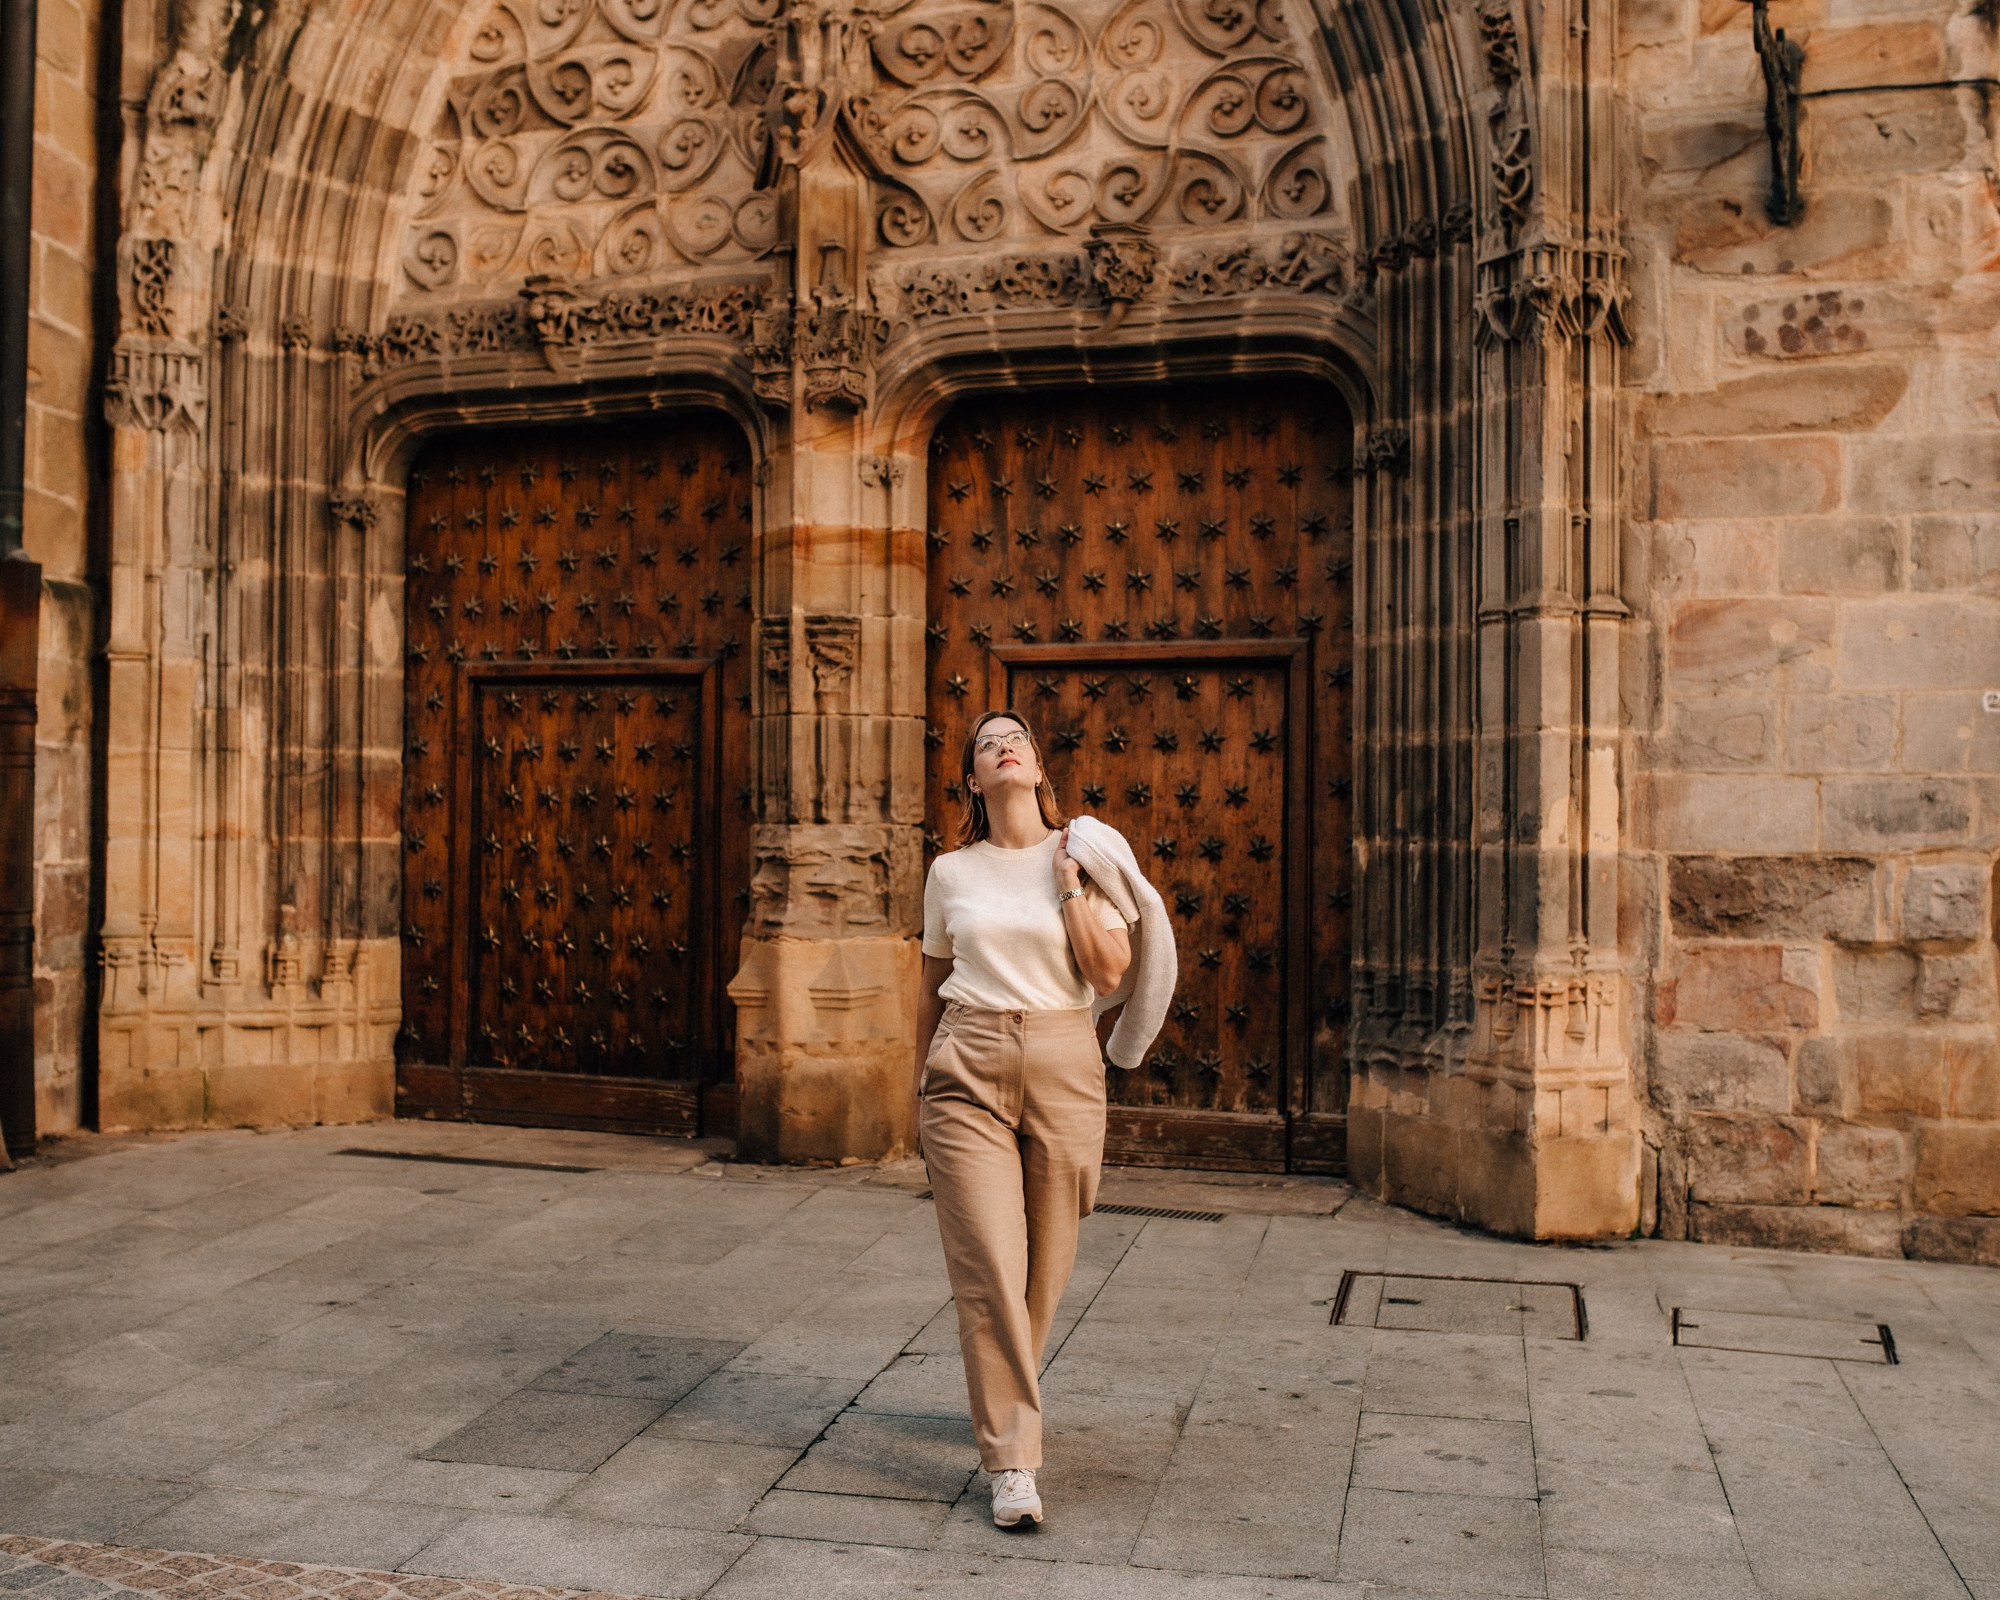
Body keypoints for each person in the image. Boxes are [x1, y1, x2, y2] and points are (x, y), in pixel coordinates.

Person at [914, 708, 1134, 1529]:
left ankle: (1007, 1387)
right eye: (986, 744)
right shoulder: (950, 872)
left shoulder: (1085, 851)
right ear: (974, 778)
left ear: (1038, 768)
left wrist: (1070, 884)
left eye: (1019, 740)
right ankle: (1013, 1460)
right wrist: (919, 1082)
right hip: (966, 1059)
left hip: (1065, 1059)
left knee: (1049, 1259)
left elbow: (1110, 966)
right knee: (989, 1264)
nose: (1005, 747)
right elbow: (930, 978)